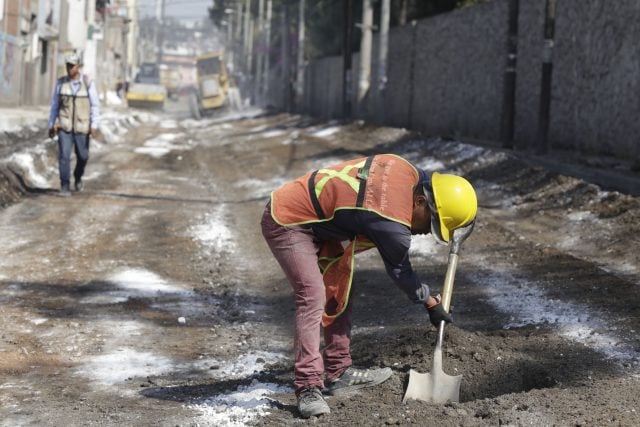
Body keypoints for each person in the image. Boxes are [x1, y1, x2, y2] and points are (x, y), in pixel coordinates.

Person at [261, 153, 477, 418]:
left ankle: (339, 371)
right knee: (312, 294)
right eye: (429, 223)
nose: (424, 232)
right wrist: (431, 303)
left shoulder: (405, 168)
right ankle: (308, 387)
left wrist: (464, 217)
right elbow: (400, 273)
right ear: (420, 201)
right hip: (288, 219)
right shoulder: (392, 225)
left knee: (340, 287)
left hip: (323, 224)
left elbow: (429, 179)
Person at [48, 53, 100, 196]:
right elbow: (54, 106)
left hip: (82, 126)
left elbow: (95, 105)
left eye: (72, 66)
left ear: (78, 66)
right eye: (67, 66)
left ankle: (78, 177)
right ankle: (64, 185)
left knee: (83, 156)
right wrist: (51, 124)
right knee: (64, 156)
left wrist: (94, 125)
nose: (69, 69)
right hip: (65, 126)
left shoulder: (88, 83)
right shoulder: (61, 83)